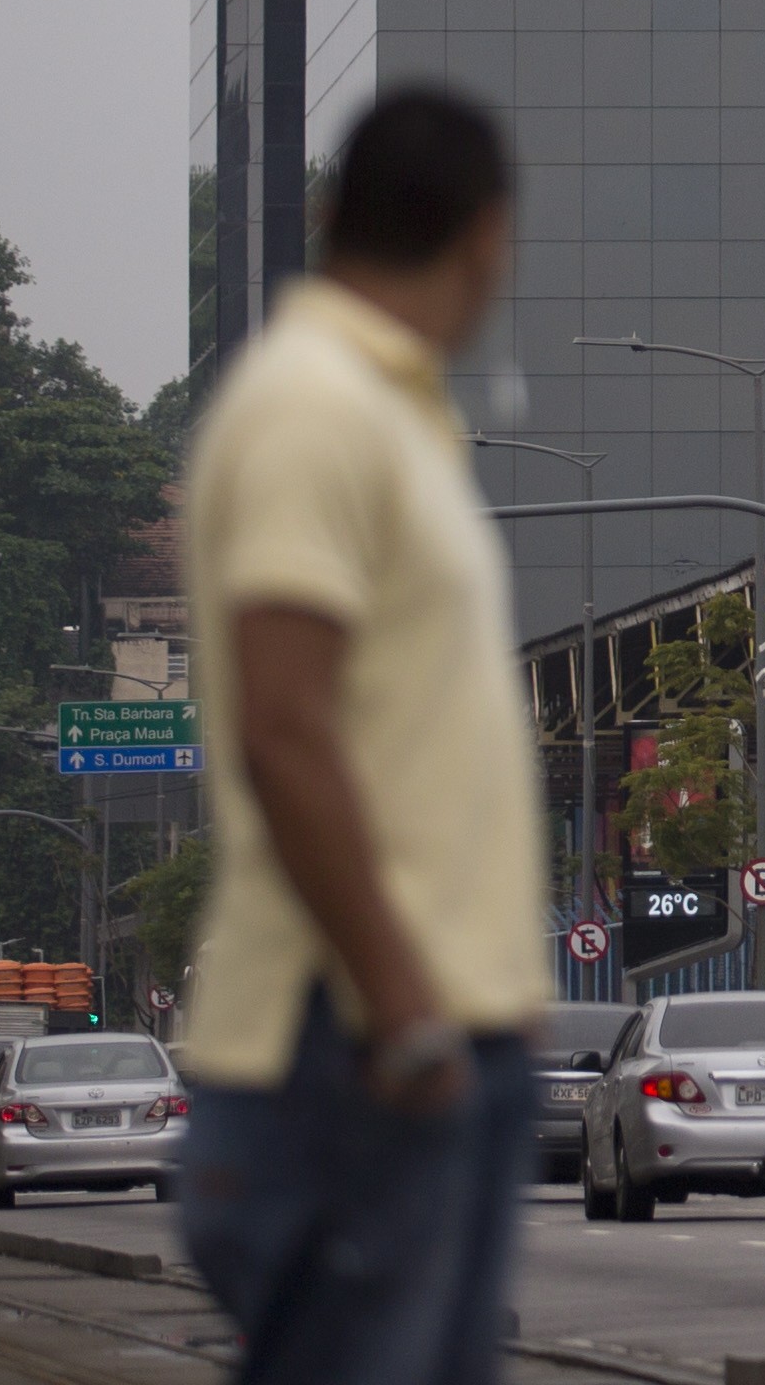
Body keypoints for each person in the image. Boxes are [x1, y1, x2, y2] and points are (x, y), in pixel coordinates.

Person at [171, 85, 546, 1385]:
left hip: (417, 1036)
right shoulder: (313, 408)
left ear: (332, 215)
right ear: (491, 235)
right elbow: (284, 724)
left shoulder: (390, 415)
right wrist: (405, 1003)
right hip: (357, 1049)